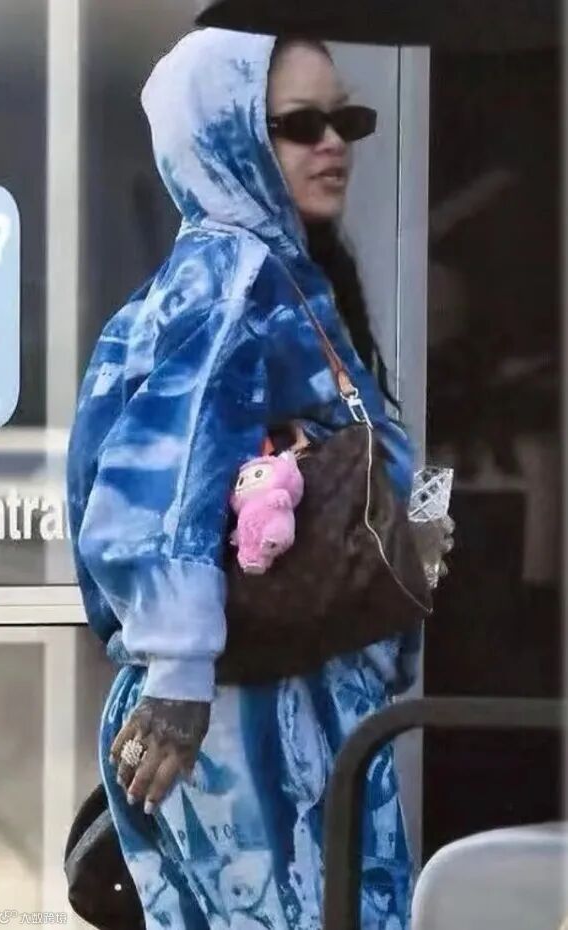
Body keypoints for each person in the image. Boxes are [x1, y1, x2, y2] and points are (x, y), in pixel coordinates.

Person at [67, 27, 450, 929]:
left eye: (348, 120)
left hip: (288, 703)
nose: (334, 143)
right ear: (224, 134)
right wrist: (178, 671)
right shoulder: (229, 273)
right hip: (255, 717)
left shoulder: (276, 274)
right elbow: (162, 471)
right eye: (300, 124)